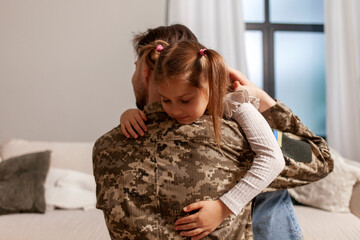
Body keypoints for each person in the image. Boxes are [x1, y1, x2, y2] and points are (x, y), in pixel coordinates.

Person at [93, 24, 333, 239]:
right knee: (270, 195)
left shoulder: (106, 147)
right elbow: (314, 156)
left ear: (146, 71)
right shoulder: (239, 137)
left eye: (135, 67)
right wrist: (264, 100)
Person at [120, 39, 285, 239]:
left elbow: (273, 158)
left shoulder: (236, 105)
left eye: (185, 100)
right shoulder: (172, 109)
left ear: (211, 87)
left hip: (253, 204)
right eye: (166, 100)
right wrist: (129, 114)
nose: (174, 110)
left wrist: (223, 207)